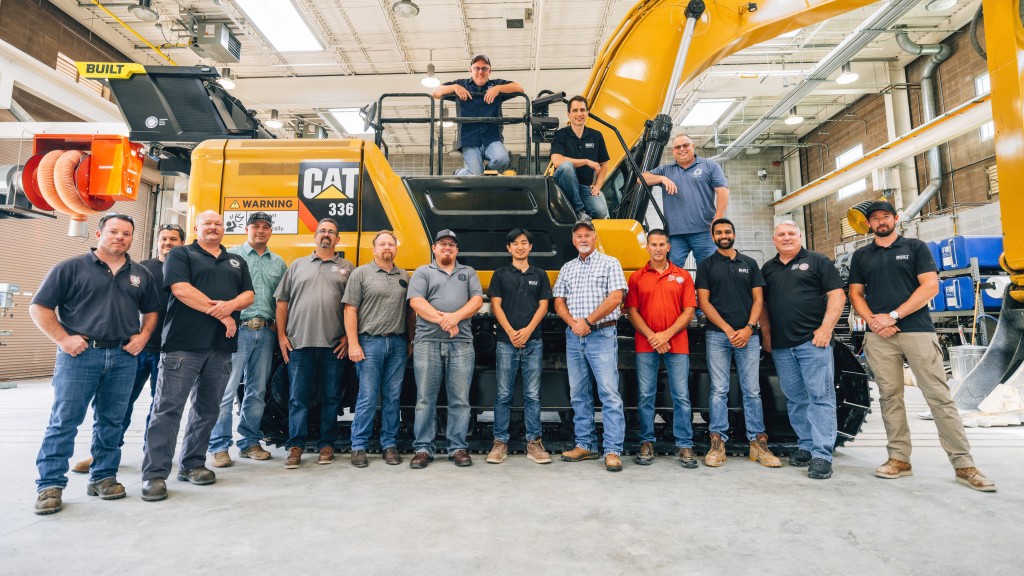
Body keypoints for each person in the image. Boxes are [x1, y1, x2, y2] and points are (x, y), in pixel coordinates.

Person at [848, 201, 995, 492]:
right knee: (890, 398)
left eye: (885, 217)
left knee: (939, 396)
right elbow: (855, 293)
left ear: (896, 218)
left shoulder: (916, 248)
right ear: (868, 224)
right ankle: (899, 459)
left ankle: (964, 464)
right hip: (879, 336)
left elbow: (930, 287)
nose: (880, 222)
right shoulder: (861, 255)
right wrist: (874, 323)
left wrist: (893, 315)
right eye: (875, 218)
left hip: (916, 331)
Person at [29, 213, 160, 515]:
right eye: (113, 232)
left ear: (132, 238)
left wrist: (143, 336)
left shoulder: (139, 273)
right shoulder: (71, 268)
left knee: (112, 421)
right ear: (99, 234)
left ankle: (103, 477)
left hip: (123, 356)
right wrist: (63, 339)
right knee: (65, 421)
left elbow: (151, 310)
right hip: (80, 355)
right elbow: (39, 306)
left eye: (126, 233)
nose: (120, 237)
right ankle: (50, 485)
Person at [140, 210, 254, 502]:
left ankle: (192, 464)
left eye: (218, 223)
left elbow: (248, 296)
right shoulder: (181, 254)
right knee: (167, 410)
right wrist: (222, 314)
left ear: (224, 229)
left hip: (220, 347)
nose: (213, 227)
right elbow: (181, 289)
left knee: (207, 409)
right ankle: (154, 474)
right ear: (196, 228)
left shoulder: (236, 261)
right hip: (183, 345)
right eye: (207, 223)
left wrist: (228, 309)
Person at [71, 223, 183, 475]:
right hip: (136, 347)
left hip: (171, 349)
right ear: (157, 242)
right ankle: (102, 453)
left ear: (181, 243)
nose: (168, 243)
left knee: (160, 406)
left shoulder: (186, 271)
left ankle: (152, 455)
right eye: (164, 238)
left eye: (174, 239)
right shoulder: (141, 270)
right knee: (118, 405)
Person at [759, 221, 844, 480]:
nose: (786, 238)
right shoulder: (768, 269)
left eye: (791, 234)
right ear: (774, 240)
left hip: (813, 342)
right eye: (781, 235)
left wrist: (826, 329)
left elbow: (838, 295)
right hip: (783, 347)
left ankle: (822, 455)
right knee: (796, 398)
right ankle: (806, 445)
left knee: (820, 397)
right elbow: (763, 306)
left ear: (800, 236)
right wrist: (768, 336)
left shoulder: (818, 261)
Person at [696, 218, 781, 468]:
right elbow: (704, 302)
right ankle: (717, 442)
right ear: (713, 237)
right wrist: (727, 329)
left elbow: (758, 300)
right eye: (719, 232)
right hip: (717, 336)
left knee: (752, 390)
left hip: (748, 337)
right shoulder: (706, 265)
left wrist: (748, 328)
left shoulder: (749, 263)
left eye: (728, 231)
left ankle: (757, 443)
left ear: (734, 234)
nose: (724, 235)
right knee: (718, 390)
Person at [208, 212, 286, 467]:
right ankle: (219, 446)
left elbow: (281, 300)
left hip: (264, 332)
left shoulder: (278, 263)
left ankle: (249, 441)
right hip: (236, 330)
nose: (260, 231)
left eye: (265, 227)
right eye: (255, 226)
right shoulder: (229, 256)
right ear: (246, 229)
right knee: (226, 389)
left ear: (271, 231)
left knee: (257, 391)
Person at [275, 218, 354, 469]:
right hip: (300, 344)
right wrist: (282, 337)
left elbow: (354, 306)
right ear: (315, 236)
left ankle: (326, 444)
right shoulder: (297, 266)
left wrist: (348, 337)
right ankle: (295, 446)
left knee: (331, 398)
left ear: (338, 239)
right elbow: (282, 303)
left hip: (334, 346)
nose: (326, 235)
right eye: (322, 231)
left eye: (331, 232)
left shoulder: (348, 268)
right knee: (298, 398)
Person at [553, 220, 628, 472]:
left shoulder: (610, 263)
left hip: (601, 335)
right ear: (573, 241)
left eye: (587, 235)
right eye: (578, 236)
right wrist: (573, 322)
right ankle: (585, 445)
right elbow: (559, 301)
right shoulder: (567, 268)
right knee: (579, 394)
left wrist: (587, 321)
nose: (583, 239)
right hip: (574, 337)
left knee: (608, 394)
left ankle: (613, 450)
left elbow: (616, 298)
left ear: (594, 238)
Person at [407, 229, 484, 468]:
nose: (447, 247)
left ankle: (458, 447)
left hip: (460, 343)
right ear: (434, 248)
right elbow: (416, 302)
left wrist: (454, 319)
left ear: (457, 250)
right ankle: (423, 448)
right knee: (424, 399)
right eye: (442, 244)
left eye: (451, 244)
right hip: (427, 342)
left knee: (460, 399)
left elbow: (477, 301)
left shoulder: (468, 272)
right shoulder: (423, 272)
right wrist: (444, 321)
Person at [625, 229, 697, 468]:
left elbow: (689, 311)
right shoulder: (636, 277)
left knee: (682, 397)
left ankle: (684, 444)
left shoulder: (683, 276)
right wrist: (653, 336)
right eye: (653, 244)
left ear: (668, 247)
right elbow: (631, 311)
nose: (657, 248)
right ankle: (647, 441)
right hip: (646, 344)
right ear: (647, 247)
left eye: (661, 244)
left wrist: (665, 335)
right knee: (645, 395)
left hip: (677, 343)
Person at [486, 228, 553, 465]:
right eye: (515, 243)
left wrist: (526, 331)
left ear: (530, 247)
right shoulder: (501, 274)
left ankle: (534, 442)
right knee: (503, 394)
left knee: (532, 395)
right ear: (509, 248)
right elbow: (496, 306)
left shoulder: (540, 274)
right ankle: (500, 442)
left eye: (524, 243)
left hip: (533, 341)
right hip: (506, 343)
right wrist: (512, 333)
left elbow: (543, 306)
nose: (520, 247)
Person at [344, 230, 410, 468]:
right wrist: (353, 343)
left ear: (395, 249)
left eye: (391, 244)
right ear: (374, 250)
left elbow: (410, 312)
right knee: (368, 396)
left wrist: (410, 340)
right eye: (382, 244)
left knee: (393, 397)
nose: (387, 248)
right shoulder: (361, 274)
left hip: (398, 343)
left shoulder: (404, 275)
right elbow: (350, 309)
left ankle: (389, 445)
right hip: (369, 342)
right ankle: (359, 446)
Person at [641, 134, 729, 268]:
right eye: (677, 147)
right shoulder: (666, 170)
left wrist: (718, 218)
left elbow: (722, 191)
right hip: (675, 234)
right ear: (673, 151)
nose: (681, 149)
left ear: (692, 146)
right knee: (672, 274)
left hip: (704, 231)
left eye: (685, 145)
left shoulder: (709, 166)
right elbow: (640, 178)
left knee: (709, 271)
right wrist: (662, 179)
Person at [432, 55, 524, 175]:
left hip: (491, 138)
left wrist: (498, 89)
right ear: (471, 70)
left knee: (502, 159)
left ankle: (488, 173)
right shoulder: (461, 85)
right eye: (477, 68)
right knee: (475, 176)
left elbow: (519, 88)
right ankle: (459, 173)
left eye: (484, 68)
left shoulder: (496, 85)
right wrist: (454, 87)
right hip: (469, 140)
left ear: (489, 71)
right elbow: (435, 93)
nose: (480, 72)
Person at [551, 95, 611, 220]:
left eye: (582, 110)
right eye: (575, 110)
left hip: (583, 186)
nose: (579, 114)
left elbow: (604, 163)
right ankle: (579, 211)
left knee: (600, 212)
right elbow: (557, 161)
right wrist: (586, 161)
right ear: (569, 114)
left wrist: (598, 185)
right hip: (561, 184)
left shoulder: (596, 136)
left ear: (587, 113)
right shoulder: (560, 135)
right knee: (567, 166)